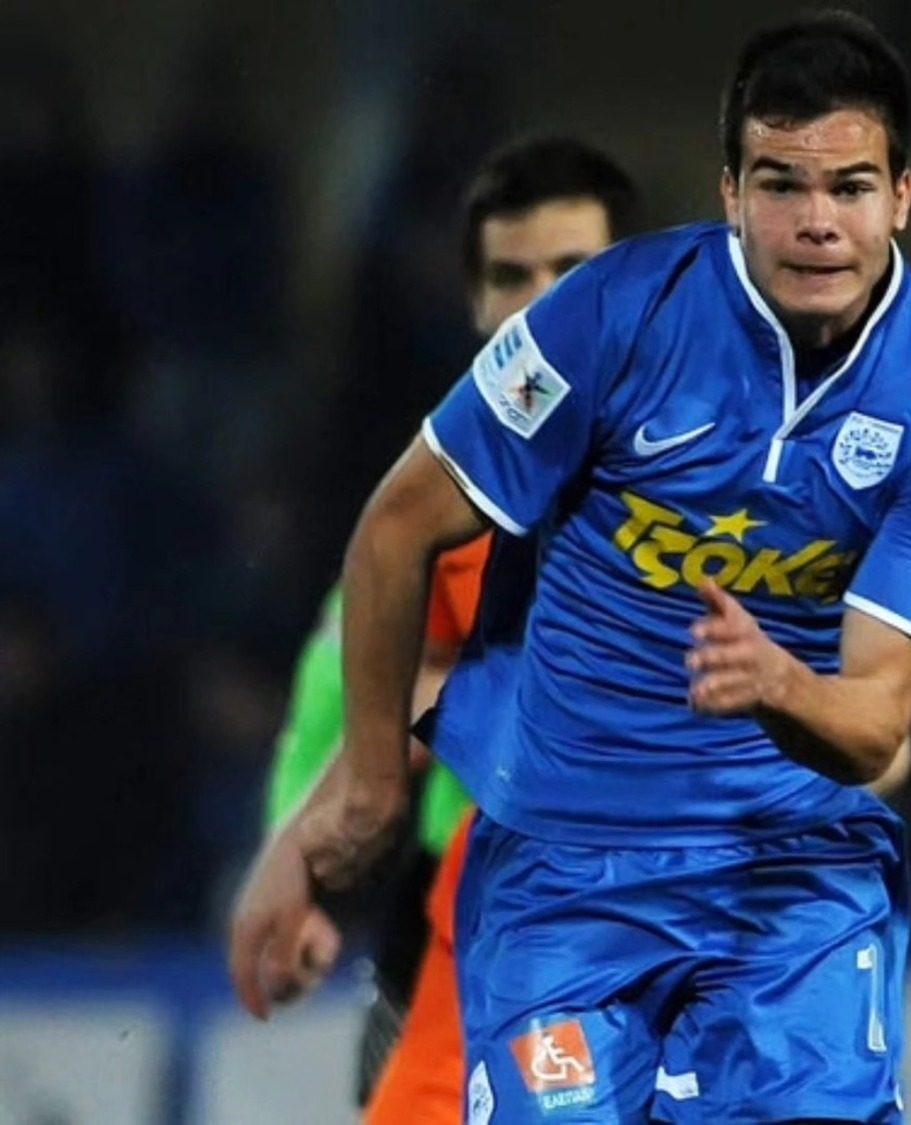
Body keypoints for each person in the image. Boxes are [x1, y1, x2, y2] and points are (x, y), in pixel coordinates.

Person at [232, 12, 911, 1122]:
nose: (817, 221)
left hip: (788, 873)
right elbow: (396, 528)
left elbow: (878, 723)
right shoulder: (609, 317)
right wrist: (364, 785)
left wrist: (777, 683)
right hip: (568, 865)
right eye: (781, 183)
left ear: (902, 197)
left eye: (849, 187)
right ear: (731, 192)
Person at [245, 137, 640, 1123]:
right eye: (511, 277)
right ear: (475, 302)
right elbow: (349, 682)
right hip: (467, 908)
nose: (540, 303)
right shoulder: (440, 495)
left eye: (572, 271)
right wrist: (300, 863)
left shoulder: (724, 459)